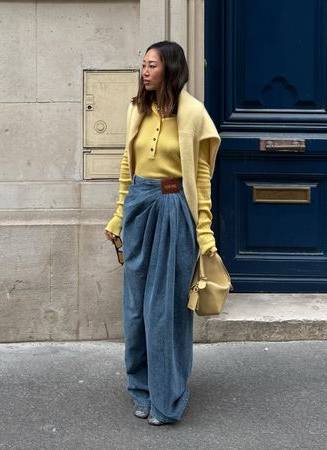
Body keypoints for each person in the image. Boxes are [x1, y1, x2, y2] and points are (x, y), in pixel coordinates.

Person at [104, 41, 220, 426]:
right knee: (136, 308)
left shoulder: (194, 115)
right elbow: (128, 165)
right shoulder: (137, 110)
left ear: (170, 68)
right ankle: (141, 388)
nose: (144, 71)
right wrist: (118, 217)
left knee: (165, 310)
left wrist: (204, 233)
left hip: (174, 209)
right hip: (139, 206)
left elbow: (200, 178)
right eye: (143, 65)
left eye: (152, 65)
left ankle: (168, 396)